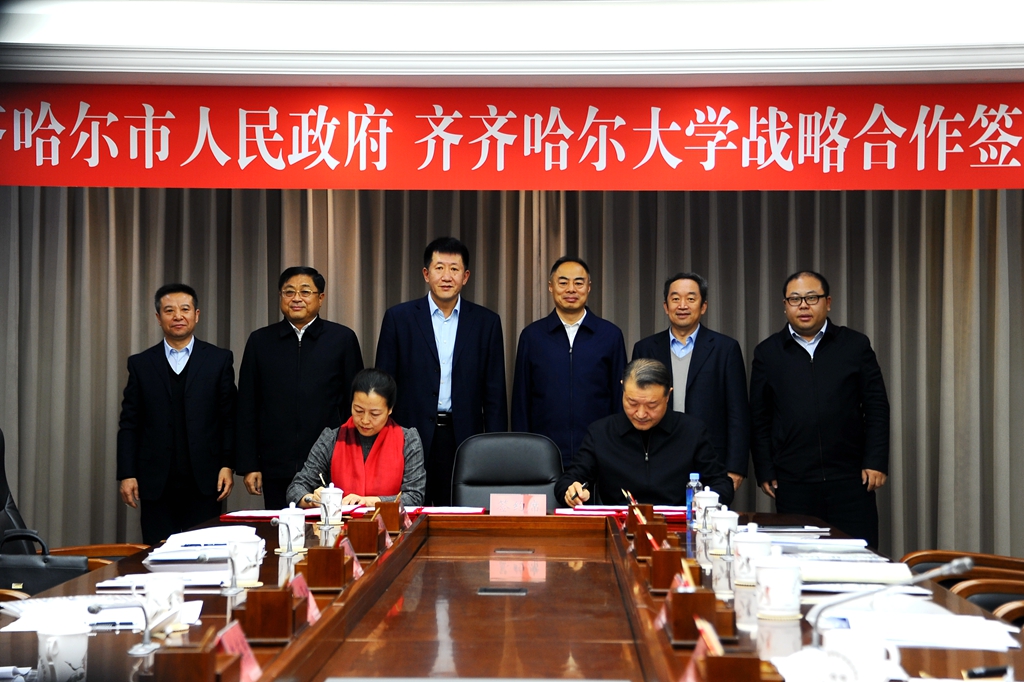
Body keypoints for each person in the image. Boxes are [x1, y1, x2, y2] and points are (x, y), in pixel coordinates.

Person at [749, 270, 890, 548]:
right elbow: (759, 416)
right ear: (785, 305)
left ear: (828, 302)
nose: (803, 305)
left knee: (857, 557)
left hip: (851, 479)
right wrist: (765, 469)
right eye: (795, 299)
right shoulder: (768, 352)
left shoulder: (855, 345)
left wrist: (875, 460)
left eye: (812, 298)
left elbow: (876, 405)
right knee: (798, 559)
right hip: (794, 482)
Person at [375, 237, 507, 506]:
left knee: (461, 511)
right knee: (410, 510)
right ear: (426, 274)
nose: (447, 276)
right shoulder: (399, 318)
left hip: (464, 435)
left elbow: (494, 392)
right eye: (439, 268)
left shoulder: (486, 322)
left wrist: (494, 445)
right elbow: (384, 385)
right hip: (409, 434)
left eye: (454, 269)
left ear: (466, 276)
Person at [117, 284, 236, 545]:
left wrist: (228, 464)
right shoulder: (141, 364)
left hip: (205, 480)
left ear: (197, 315)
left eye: (185, 309)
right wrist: (127, 473)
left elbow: (228, 418)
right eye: (169, 310)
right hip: (155, 482)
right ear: (158, 317)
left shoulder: (218, 360)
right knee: (157, 553)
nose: (178, 316)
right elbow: (130, 423)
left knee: (204, 553)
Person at [236, 266, 364, 509]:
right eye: (289, 292)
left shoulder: (342, 339)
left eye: (305, 292)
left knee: (329, 527)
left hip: (330, 462)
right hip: (275, 463)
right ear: (280, 296)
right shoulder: (260, 341)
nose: (296, 298)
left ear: (320, 298)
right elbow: (247, 406)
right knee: (282, 528)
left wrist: (354, 456)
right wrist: (250, 465)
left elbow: (354, 405)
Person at [556, 358, 733, 508]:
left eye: (652, 405)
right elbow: (568, 480)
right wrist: (572, 491)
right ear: (622, 389)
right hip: (619, 527)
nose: (641, 414)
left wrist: (705, 503)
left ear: (668, 395)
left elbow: (721, 484)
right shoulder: (601, 432)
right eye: (632, 403)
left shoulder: (692, 431)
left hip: (677, 527)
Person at [631, 272, 751, 490]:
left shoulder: (725, 349)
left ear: (703, 306)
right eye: (675, 298)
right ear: (666, 306)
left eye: (691, 298)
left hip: (709, 458)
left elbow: (738, 412)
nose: (682, 305)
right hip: (656, 455)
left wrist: (735, 467)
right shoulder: (645, 348)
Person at [512, 257, 626, 467]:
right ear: (550, 286)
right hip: (543, 453)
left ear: (589, 287)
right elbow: (521, 399)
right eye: (563, 282)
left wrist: (617, 446)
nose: (571, 289)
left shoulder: (610, 335)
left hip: (599, 452)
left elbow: (620, 398)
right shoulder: (532, 336)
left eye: (578, 283)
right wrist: (523, 448)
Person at [287, 368, 426, 508]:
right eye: (358, 410)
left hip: (390, 521)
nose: (365, 420)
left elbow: (414, 496)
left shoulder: (408, 440)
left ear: (390, 409)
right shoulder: (332, 438)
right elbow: (295, 489)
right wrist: (313, 499)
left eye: (374, 414)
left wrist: (367, 502)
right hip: (340, 521)